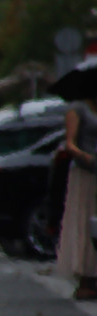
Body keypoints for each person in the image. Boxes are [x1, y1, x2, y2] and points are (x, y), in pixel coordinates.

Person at [56, 100, 97, 299]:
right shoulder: (78, 110)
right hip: (85, 172)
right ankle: (85, 275)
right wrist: (85, 156)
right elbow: (69, 143)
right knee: (85, 219)